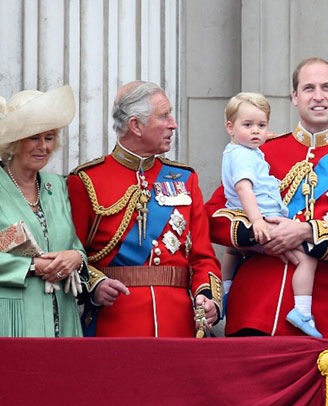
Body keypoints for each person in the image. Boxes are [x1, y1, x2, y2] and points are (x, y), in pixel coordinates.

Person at [205, 58, 328, 337]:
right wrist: (261, 236)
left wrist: (306, 232)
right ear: (294, 97)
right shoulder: (261, 151)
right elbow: (214, 215)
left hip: (322, 313)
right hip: (253, 307)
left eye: (326, 87)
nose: (318, 96)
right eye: (308, 88)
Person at [67, 81, 221, 337]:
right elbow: (72, 253)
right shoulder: (86, 180)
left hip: (178, 325)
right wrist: (95, 285)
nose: (173, 123)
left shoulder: (184, 178)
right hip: (115, 324)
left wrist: (208, 298)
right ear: (135, 125)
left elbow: (203, 257)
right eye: (164, 116)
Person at [220, 92, 321, 337]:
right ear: (295, 96)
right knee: (306, 259)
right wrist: (256, 222)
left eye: (261, 126)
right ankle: (303, 311)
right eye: (309, 88)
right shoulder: (247, 153)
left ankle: (224, 290)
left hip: (255, 220)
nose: (256, 131)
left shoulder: (247, 148)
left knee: (233, 252)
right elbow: (220, 210)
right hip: (264, 221)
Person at [0, 85, 86, 337]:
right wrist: (31, 266)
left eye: (49, 138)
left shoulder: (57, 185)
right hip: (13, 318)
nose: (43, 146)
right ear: (14, 142)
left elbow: (76, 244)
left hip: (63, 315)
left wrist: (76, 257)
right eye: (34, 137)